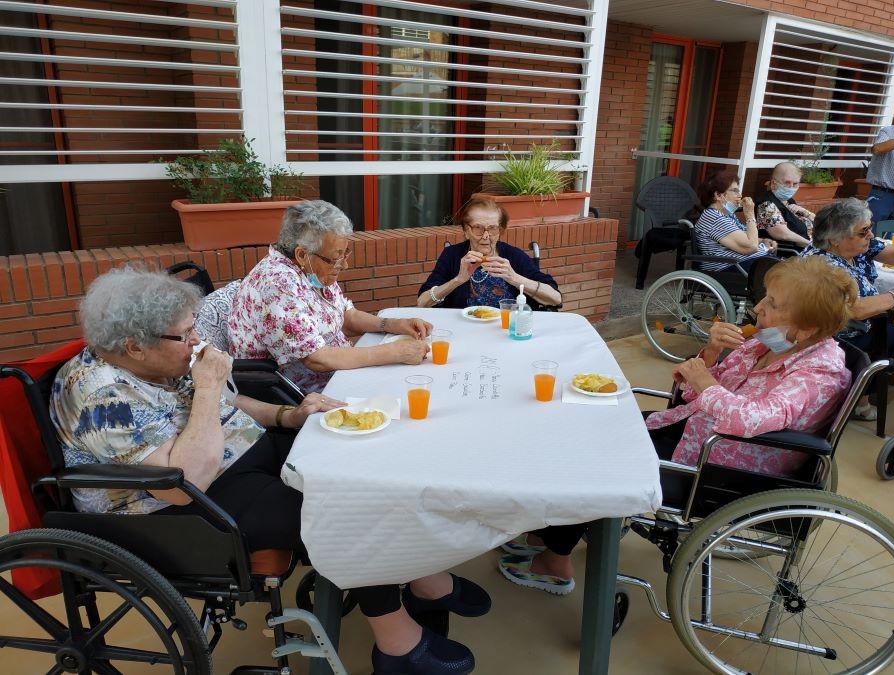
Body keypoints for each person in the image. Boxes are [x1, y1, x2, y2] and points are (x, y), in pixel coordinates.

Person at [51, 267, 489, 675]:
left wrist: (288, 416)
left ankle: (422, 580)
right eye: (185, 335)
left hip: (237, 464)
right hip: (177, 510)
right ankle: (395, 645)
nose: (196, 341)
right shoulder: (102, 395)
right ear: (134, 346)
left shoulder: (154, 359)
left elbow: (231, 405)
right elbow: (183, 485)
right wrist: (207, 385)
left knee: (362, 469)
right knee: (345, 511)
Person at [498, 255, 856, 594]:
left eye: (773, 304)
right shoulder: (766, 344)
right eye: (764, 296)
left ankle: (555, 562)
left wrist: (705, 381)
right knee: (595, 428)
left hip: (725, 464)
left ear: (807, 328)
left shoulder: (819, 373)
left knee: (599, 460)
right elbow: (689, 393)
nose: (758, 307)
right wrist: (710, 354)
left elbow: (749, 419)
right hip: (695, 430)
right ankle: (551, 533)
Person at [228, 200, 432, 394]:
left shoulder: (313, 269)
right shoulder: (278, 283)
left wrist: (394, 324)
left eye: (344, 254)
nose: (344, 265)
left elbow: (347, 316)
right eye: (336, 258)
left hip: (337, 374)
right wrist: (395, 352)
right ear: (302, 255)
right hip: (302, 392)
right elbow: (316, 358)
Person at [800, 198, 894, 420]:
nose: (870, 235)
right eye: (864, 231)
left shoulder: (856, 247)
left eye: (869, 228)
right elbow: (855, 309)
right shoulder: (822, 264)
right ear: (835, 239)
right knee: (891, 334)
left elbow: (893, 252)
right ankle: (859, 399)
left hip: (855, 326)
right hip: (831, 337)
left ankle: (859, 393)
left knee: (889, 330)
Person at [416, 196, 561, 309]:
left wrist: (514, 278)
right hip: (464, 329)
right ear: (466, 231)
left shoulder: (514, 256)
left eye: (492, 229)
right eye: (478, 228)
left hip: (507, 328)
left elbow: (556, 298)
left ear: (500, 231)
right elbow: (422, 302)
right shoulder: (452, 255)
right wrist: (457, 280)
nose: (486, 236)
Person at [694, 170, 777, 272]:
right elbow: (752, 246)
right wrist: (750, 215)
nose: (740, 195)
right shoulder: (713, 217)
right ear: (718, 195)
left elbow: (744, 237)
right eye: (735, 191)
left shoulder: (727, 214)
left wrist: (763, 241)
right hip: (729, 267)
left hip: (746, 263)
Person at [755, 161, 815, 247]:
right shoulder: (766, 204)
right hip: (790, 252)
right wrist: (811, 246)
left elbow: (820, 223)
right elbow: (782, 234)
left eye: (795, 184)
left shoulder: (789, 201)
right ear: (773, 183)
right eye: (787, 182)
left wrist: (806, 212)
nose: (791, 187)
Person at [865, 121, 894, 225]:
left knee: (893, 234)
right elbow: (877, 149)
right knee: (870, 230)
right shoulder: (889, 131)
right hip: (882, 194)